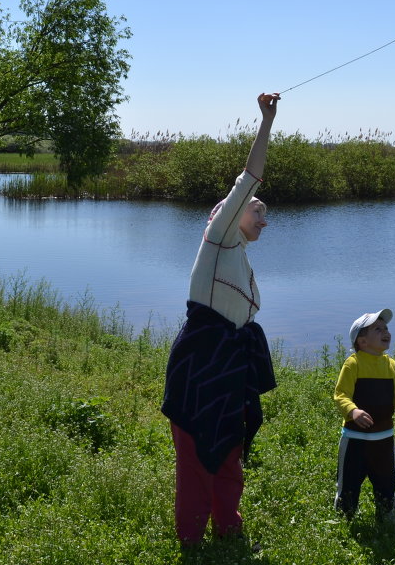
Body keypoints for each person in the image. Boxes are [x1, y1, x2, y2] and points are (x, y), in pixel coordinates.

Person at [161, 92, 280, 546]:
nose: (264, 219)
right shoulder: (216, 241)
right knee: (194, 457)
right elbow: (249, 178)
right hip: (200, 363)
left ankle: (228, 533)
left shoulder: (239, 260)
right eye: (257, 210)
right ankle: (191, 541)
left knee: (229, 452)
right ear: (228, 215)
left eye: (265, 214)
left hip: (229, 365)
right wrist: (266, 122)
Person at [333, 308, 395, 521]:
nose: (385, 331)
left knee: (386, 481)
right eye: (377, 329)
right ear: (362, 341)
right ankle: (345, 517)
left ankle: (388, 516)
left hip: (384, 439)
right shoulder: (353, 364)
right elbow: (341, 394)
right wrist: (353, 411)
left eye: (385, 328)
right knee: (349, 482)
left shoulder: (390, 365)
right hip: (355, 439)